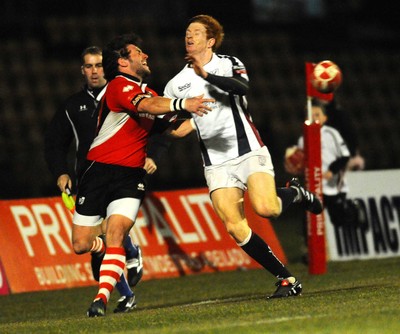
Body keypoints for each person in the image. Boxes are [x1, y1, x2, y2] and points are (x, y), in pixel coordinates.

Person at [163, 15, 323, 299]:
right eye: (187, 32)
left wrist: (207, 77)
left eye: (196, 32)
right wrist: (175, 129)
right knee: (235, 228)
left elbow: (243, 88)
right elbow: (177, 125)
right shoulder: (176, 84)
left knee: (267, 209)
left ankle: (295, 193)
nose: (189, 36)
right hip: (215, 162)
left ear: (210, 40)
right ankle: (285, 278)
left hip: (247, 149)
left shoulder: (228, 63)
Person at [71, 34, 214, 317]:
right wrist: (182, 104)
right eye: (139, 52)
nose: (146, 55)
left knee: (116, 233)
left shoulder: (149, 93)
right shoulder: (118, 86)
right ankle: (117, 252)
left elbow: (174, 129)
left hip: (130, 175)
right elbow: (146, 106)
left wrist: (211, 115)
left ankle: (100, 300)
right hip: (98, 172)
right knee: (81, 244)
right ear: (123, 62)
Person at [44, 46, 149, 313]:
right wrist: (61, 172)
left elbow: (151, 122)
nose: (94, 71)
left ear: (108, 67)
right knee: (89, 251)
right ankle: (127, 276)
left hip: (121, 174)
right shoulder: (72, 106)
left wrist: (151, 154)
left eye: (99, 65)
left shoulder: (123, 92)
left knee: (112, 234)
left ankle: (116, 290)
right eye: (89, 66)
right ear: (82, 70)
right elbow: (55, 143)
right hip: (89, 179)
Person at [289, 100, 361, 228]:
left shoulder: (331, 133)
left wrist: (332, 171)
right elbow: (302, 161)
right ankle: (308, 244)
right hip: (314, 185)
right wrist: (294, 165)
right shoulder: (303, 138)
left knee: (339, 219)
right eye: (311, 115)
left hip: (331, 184)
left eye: (317, 115)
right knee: (310, 220)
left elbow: (344, 156)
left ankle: (353, 211)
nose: (314, 118)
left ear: (325, 118)